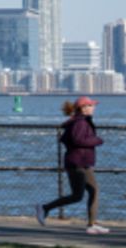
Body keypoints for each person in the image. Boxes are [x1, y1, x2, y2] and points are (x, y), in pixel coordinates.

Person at [36, 97, 109, 235]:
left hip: (80, 162)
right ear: (84, 108)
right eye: (92, 105)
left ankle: (91, 223)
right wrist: (97, 140)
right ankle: (91, 224)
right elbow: (78, 139)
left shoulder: (78, 121)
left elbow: (67, 139)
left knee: (83, 194)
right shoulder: (80, 122)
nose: (94, 108)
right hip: (78, 163)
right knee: (89, 192)